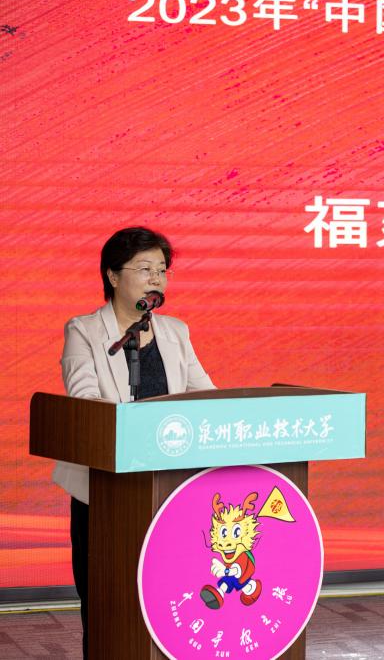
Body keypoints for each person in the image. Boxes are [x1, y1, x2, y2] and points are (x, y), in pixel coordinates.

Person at [53, 227, 214, 657]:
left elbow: (206, 397)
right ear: (112, 275)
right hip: (105, 489)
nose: (155, 278)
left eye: (161, 270)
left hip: (168, 487)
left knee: (168, 594)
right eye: (144, 269)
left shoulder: (176, 332)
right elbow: (84, 400)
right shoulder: (85, 330)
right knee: (106, 598)